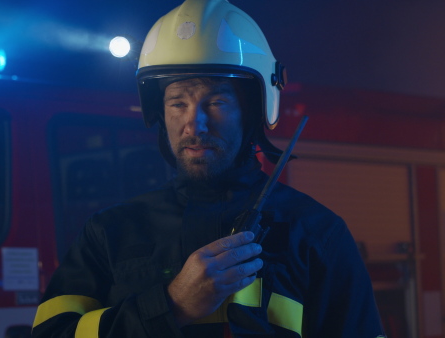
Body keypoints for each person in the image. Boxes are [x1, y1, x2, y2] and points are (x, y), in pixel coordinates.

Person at [31, 0, 386, 337]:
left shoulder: (316, 234)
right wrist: (171, 305)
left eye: (215, 101)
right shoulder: (109, 232)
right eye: (177, 103)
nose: (194, 124)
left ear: (253, 111)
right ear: (160, 114)